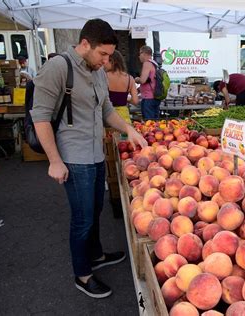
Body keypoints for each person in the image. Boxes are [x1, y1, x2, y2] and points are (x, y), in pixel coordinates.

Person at [31, 19, 147, 299]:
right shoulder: (59, 67)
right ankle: (82, 274)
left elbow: (106, 109)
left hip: (95, 153)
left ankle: (96, 255)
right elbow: (41, 116)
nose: (107, 61)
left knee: (94, 210)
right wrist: (54, 160)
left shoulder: (97, 71)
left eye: (109, 55)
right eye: (102, 54)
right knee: (82, 218)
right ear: (85, 44)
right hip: (73, 156)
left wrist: (128, 129)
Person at [105, 50, 139, 123]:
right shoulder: (130, 79)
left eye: (106, 60)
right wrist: (123, 98)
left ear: (112, 61)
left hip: (108, 115)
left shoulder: (104, 77)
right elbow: (135, 101)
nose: (103, 63)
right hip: (124, 118)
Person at [136, 45, 160, 119]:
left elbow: (143, 80)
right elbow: (151, 81)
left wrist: (136, 79)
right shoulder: (155, 64)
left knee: (149, 123)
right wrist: (139, 89)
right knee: (155, 122)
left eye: (139, 54)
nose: (139, 56)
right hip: (155, 97)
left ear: (144, 53)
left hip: (148, 98)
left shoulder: (147, 63)